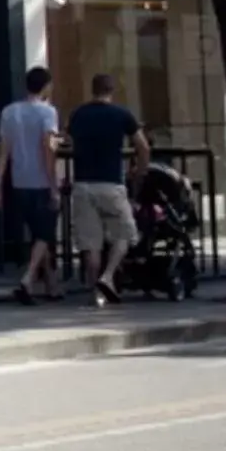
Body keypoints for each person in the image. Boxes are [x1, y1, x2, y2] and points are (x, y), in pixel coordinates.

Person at [68, 73, 150, 305]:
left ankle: (96, 293)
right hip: (111, 183)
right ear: (112, 90)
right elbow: (142, 146)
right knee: (124, 234)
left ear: (92, 90)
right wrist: (139, 170)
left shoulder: (78, 114)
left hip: (83, 184)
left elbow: (68, 140)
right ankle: (108, 275)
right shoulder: (122, 115)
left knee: (90, 243)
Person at [0, 66, 62, 303]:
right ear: (46, 87)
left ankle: (52, 285)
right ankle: (29, 278)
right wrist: (54, 184)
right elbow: (47, 149)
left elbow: (3, 151)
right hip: (41, 180)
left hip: (19, 179)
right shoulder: (48, 113)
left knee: (37, 235)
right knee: (45, 233)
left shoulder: (9, 112)